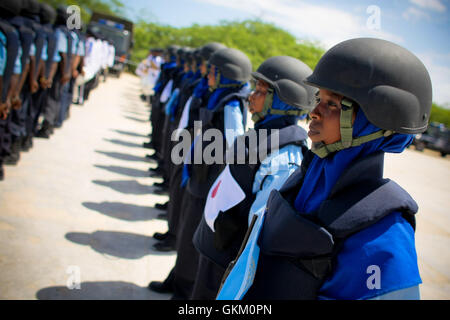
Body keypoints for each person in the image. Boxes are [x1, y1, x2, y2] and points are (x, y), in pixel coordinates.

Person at [217, 37, 431, 300]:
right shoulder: (302, 179)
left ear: (375, 121)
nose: (314, 112)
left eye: (332, 104)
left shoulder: (384, 233)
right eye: (319, 98)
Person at [191, 55, 316, 299]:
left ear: (281, 100)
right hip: (216, 243)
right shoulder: (263, 134)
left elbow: (258, 228)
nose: (252, 95)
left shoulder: (285, 155)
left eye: (261, 90)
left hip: (228, 256)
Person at [170, 47, 252, 300]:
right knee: (185, 232)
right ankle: (177, 278)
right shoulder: (219, 97)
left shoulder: (231, 105)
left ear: (226, 75)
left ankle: (183, 289)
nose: (207, 75)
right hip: (199, 176)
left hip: (208, 182)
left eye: (213, 71)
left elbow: (233, 146)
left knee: (191, 239)